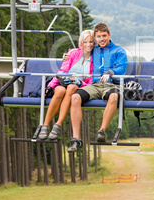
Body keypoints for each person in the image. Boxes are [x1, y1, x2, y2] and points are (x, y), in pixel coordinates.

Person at [68, 22, 128, 152]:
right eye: (99, 37)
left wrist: (111, 73)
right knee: (75, 97)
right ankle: (76, 138)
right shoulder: (93, 50)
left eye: (104, 36)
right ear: (95, 38)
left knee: (113, 96)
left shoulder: (118, 51)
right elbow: (78, 53)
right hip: (95, 85)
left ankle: (102, 131)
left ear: (109, 35)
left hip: (111, 84)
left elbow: (122, 68)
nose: (102, 39)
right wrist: (67, 56)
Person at [38, 30, 94, 140]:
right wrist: (50, 86)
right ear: (81, 43)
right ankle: (45, 125)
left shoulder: (94, 59)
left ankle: (58, 124)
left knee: (71, 88)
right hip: (64, 80)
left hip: (78, 85)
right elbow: (62, 70)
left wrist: (79, 82)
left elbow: (91, 80)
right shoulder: (73, 53)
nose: (88, 45)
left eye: (91, 42)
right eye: (85, 42)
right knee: (59, 91)